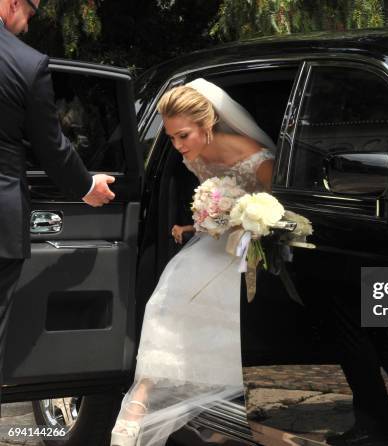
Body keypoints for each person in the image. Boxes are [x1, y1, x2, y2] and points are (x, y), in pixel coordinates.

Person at [110, 78, 275, 446]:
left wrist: (239, 221)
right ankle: (143, 395)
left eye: (183, 135)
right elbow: (213, 203)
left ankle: (221, 409)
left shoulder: (257, 157)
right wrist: (196, 223)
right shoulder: (192, 155)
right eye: (171, 138)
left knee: (215, 305)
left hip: (253, 243)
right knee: (167, 298)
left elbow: (278, 212)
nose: (178, 147)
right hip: (215, 240)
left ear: (208, 124)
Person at [0, 0, 115, 410]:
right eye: (29, 13)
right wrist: (86, 185)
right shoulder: (26, 63)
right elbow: (50, 147)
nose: (28, 26)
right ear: (12, 3)